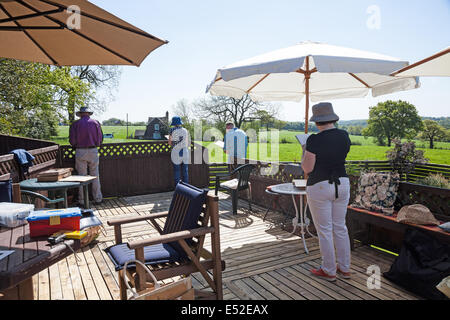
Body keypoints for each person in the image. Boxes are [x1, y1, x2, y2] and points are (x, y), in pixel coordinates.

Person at [301, 102, 352, 282]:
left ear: (317, 121)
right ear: (332, 118)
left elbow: (308, 168)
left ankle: (329, 270)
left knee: (324, 230)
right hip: (343, 184)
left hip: (320, 186)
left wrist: (304, 151)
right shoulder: (344, 136)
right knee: (340, 227)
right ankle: (345, 268)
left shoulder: (314, 140)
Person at [69, 106, 103, 206]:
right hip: (93, 150)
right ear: (89, 113)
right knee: (95, 175)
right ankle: (98, 199)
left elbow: (72, 141)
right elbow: (100, 139)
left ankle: (82, 200)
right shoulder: (96, 123)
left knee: (81, 177)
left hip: (80, 151)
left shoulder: (75, 124)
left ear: (80, 114)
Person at [168, 116, 190, 186]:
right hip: (185, 151)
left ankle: (178, 189)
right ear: (180, 122)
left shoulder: (172, 130)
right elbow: (187, 142)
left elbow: (170, 143)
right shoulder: (185, 130)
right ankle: (186, 188)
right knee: (185, 172)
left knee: (177, 171)